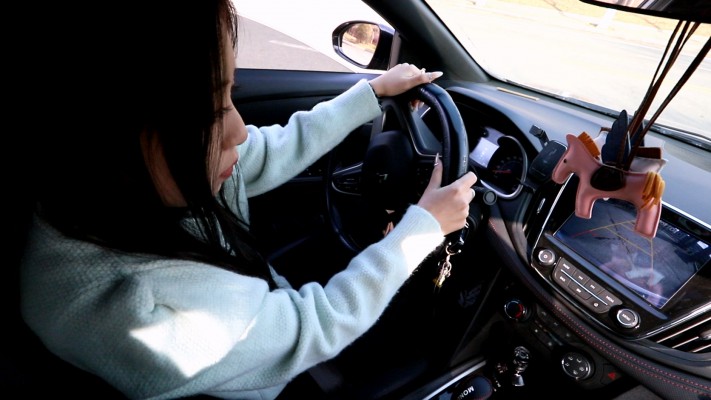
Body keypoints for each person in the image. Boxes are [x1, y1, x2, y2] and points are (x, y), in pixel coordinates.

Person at [20, 1, 478, 399]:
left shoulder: (130, 191)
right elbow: (316, 325)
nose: (239, 130)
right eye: (211, 111)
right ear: (107, 136)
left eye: (230, 95)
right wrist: (423, 228)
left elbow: (273, 148)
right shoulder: (132, 313)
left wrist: (372, 93)